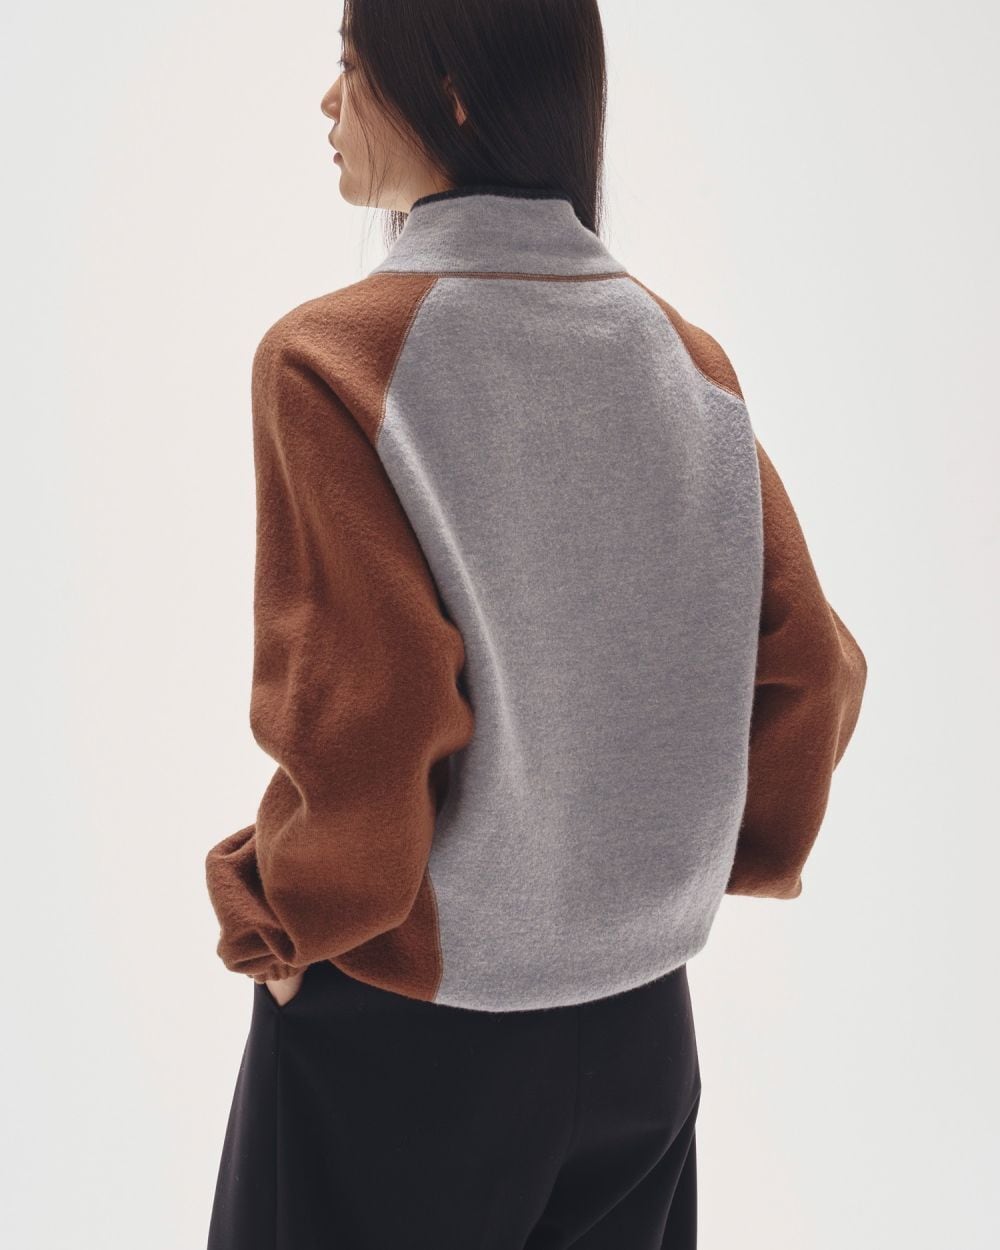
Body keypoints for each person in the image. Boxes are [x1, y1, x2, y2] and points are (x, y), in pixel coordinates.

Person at [203, 2, 868, 1247]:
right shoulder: (687, 358)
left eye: (350, 64)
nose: (328, 100)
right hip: (641, 1031)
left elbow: (372, 708)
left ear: (451, 91)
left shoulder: (329, 359)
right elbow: (813, 666)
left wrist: (284, 917)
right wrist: (691, 865)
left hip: (406, 1035)